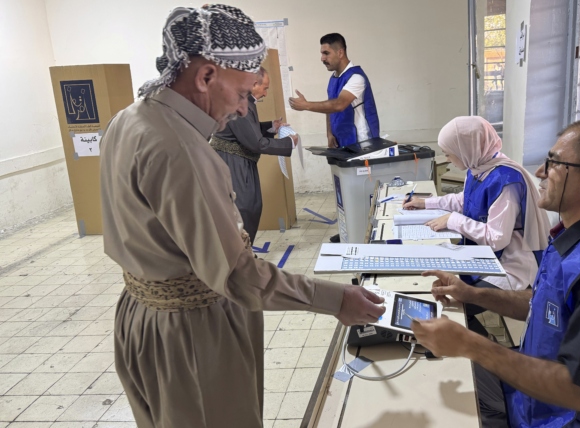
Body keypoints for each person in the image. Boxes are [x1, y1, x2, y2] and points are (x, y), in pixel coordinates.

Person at [99, 5, 384, 428]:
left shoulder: (129, 119)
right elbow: (239, 277)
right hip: (193, 337)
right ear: (206, 76)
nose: (242, 108)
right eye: (243, 93)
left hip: (141, 322)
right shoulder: (182, 150)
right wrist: (336, 299)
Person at [411, 119, 580, 427]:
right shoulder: (579, 237)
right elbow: (546, 304)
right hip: (544, 389)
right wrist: (471, 294)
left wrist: (471, 345)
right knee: (448, 380)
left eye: (554, 164)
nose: (540, 172)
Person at [403, 116, 551, 335]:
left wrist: (453, 220)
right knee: (444, 288)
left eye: (449, 151)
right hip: (488, 257)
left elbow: (496, 238)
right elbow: (465, 200)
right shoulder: (479, 167)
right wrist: (425, 203)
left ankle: (479, 349)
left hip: (511, 265)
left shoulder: (504, 180)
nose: (447, 157)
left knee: (454, 304)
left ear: (465, 148)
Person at [289, 33, 381, 243]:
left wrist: (306, 106)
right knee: (344, 191)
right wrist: (329, 133)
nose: (322, 58)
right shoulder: (334, 79)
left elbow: (339, 104)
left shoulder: (356, 77)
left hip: (361, 143)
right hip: (342, 143)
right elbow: (330, 108)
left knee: (361, 191)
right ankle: (350, 228)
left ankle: (364, 234)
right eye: (322, 53)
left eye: (326, 53)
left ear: (340, 52)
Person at [211, 66, 298, 241]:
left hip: (239, 160)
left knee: (251, 206)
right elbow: (255, 142)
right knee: (244, 208)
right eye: (265, 88)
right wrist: (288, 143)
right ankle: (241, 254)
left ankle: (244, 251)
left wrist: (271, 126)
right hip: (233, 163)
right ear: (253, 83)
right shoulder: (238, 103)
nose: (266, 93)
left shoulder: (244, 100)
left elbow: (249, 129)